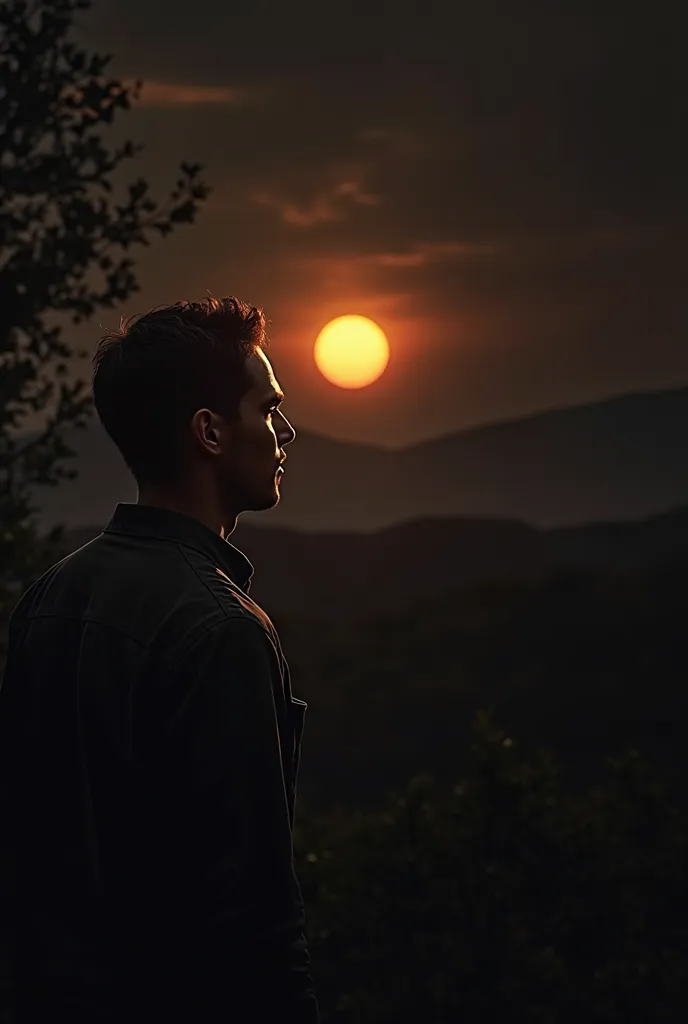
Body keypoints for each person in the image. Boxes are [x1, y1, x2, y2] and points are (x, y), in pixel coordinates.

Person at [0, 296, 319, 1023]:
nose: (283, 432)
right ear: (209, 431)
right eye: (267, 410)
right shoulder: (222, 630)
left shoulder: (50, 597)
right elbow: (255, 921)